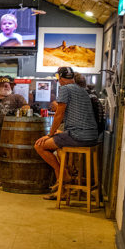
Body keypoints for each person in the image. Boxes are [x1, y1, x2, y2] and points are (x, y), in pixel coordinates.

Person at [34, 66, 100, 200]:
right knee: (59, 148)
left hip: (78, 136)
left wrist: (50, 134)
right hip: (92, 137)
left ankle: (63, 177)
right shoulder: (82, 90)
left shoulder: (65, 89)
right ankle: (63, 186)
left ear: (60, 78)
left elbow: (59, 114)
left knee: (39, 145)